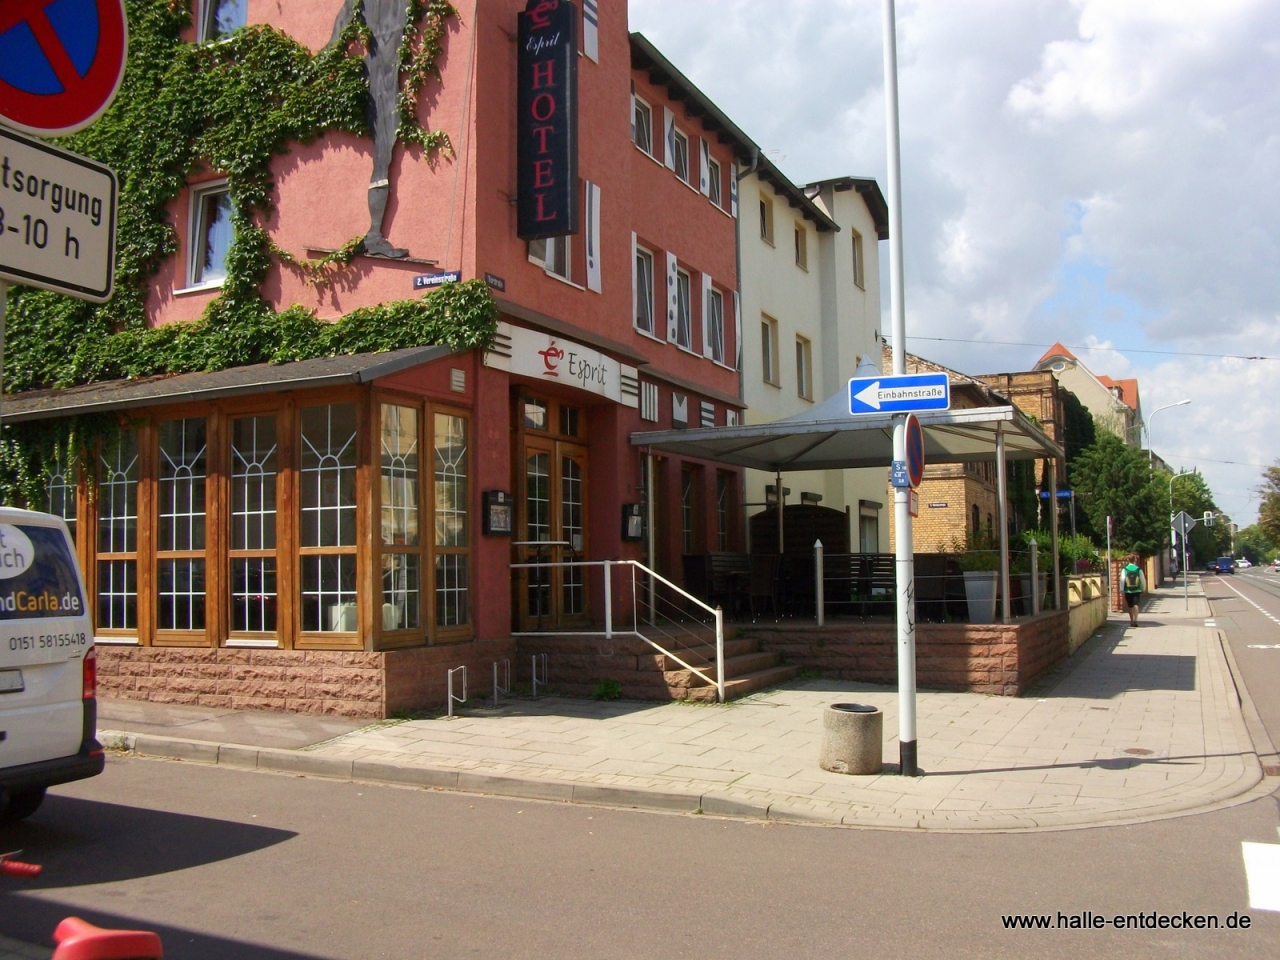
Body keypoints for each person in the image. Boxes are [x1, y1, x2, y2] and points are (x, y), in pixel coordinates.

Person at [329, 0, 409, 258]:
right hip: (378, 82)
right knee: (382, 158)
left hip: (387, 78)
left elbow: (337, 37)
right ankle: (374, 234)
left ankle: (374, 234)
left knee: (382, 158)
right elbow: (338, 35)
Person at [1121, 555, 1146, 627]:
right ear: (1135, 560)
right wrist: (1143, 588)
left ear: (1128, 560)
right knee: (1136, 604)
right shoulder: (1138, 569)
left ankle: (1131, 620)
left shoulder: (1125, 569)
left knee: (1130, 606)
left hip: (1128, 590)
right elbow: (1143, 580)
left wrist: (1122, 589)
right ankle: (1136, 620)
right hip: (1137, 590)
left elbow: (1122, 580)